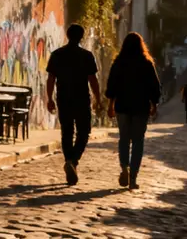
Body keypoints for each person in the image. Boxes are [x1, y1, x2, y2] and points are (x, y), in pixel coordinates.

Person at [45, 24, 103, 186]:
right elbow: (93, 79)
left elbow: (51, 79)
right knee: (84, 132)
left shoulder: (57, 54)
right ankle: (73, 160)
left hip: (63, 99)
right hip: (81, 99)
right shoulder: (86, 55)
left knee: (67, 132)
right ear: (82, 37)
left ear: (67, 35)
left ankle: (69, 160)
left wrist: (49, 98)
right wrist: (98, 99)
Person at [104, 32, 162, 190]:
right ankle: (133, 176)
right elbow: (154, 86)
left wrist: (110, 104)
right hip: (140, 107)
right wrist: (154, 104)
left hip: (122, 106)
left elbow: (112, 85)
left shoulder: (119, 62)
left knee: (124, 138)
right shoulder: (146, 63)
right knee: (138, 141)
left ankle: (124, 167)